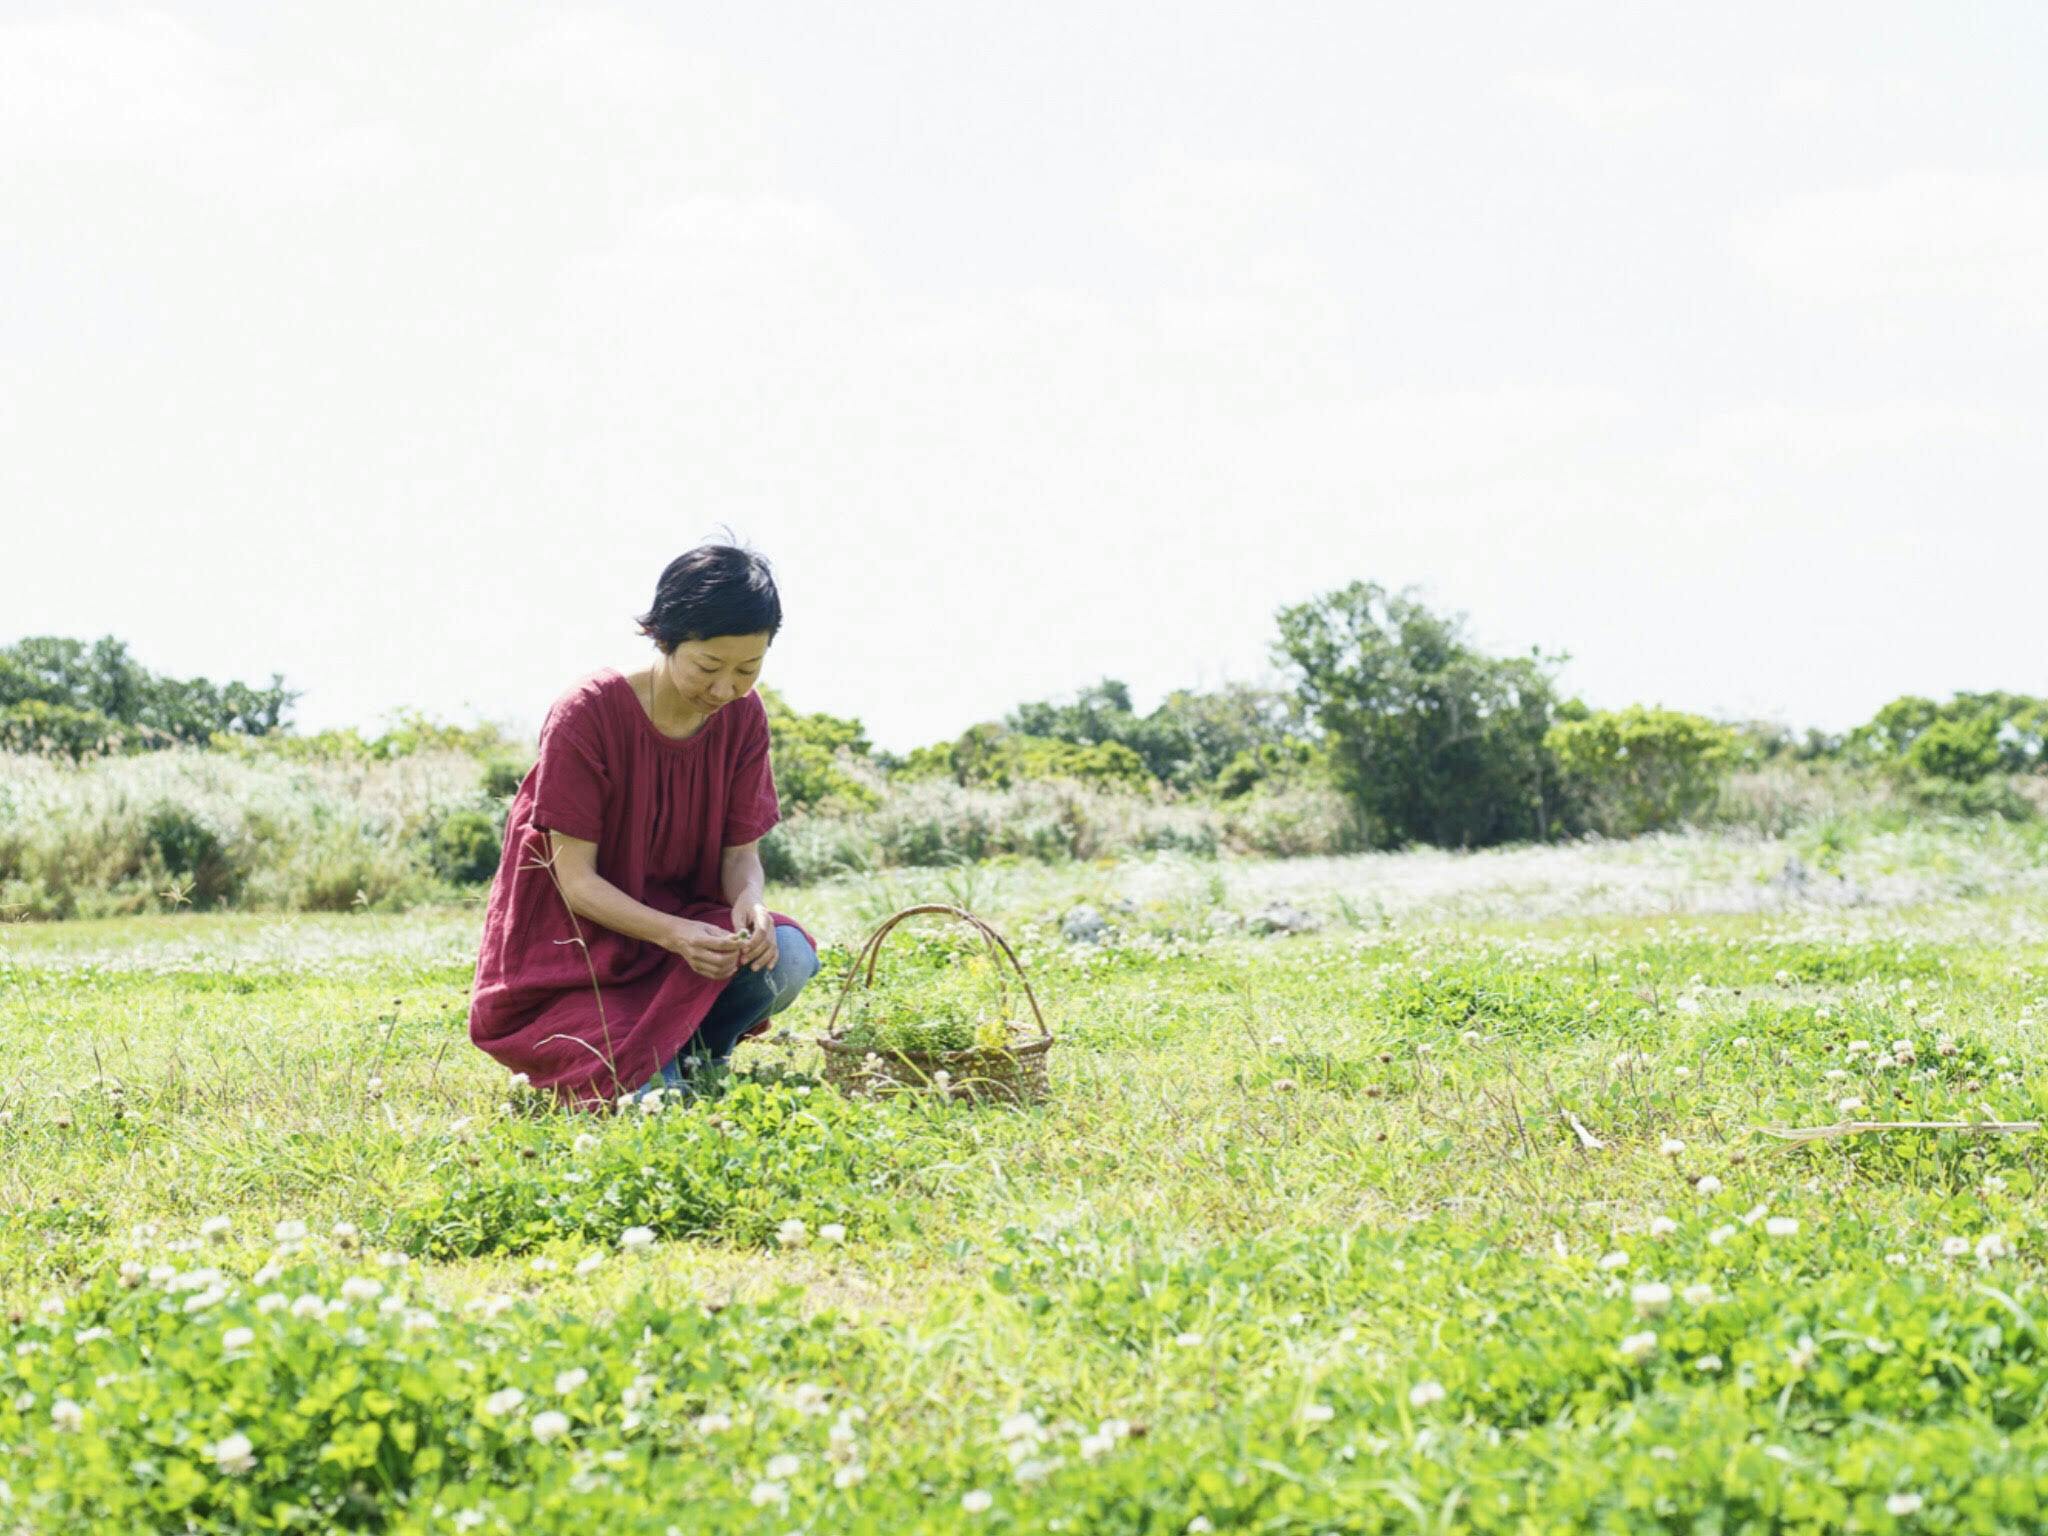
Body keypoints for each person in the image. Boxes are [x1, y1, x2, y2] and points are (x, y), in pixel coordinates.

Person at [468, 544, 821, 1107]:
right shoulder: (588, 712)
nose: (725, 689)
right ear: (664, 637)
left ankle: (697, 1048)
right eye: (708, 667)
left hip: (684, 941)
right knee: (651, 1101)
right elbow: (576, 882)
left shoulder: (744, 717)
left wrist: (749, 901)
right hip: (580, 957)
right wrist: (673, 934)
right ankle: (657, 1061)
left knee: (789, 953)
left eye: (747, 670)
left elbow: (740, 856)